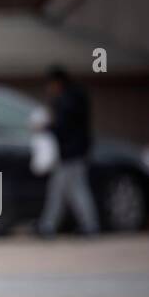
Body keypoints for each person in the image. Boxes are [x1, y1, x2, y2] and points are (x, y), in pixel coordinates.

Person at [37, 65, 100, 237]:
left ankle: (48, 227)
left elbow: (63, 126)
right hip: (76, 152)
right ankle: (88, 225)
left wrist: (46, 126)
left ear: (57, 83)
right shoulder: (75, 97)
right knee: (73, 190)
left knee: (62, 191)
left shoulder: (66, 100)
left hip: (70, 153)